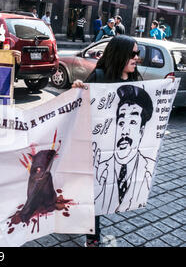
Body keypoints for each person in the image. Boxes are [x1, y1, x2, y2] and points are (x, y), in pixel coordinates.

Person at [72, 35, 174, 247]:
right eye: (133, 53)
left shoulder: (135, 80)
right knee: (94, 195)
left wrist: (166, 89)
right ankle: (93, 237)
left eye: (138, 54)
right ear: (120, 55)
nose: (137, 58)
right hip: (95, 149)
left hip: (119, 152)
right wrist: (77, 88)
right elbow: (79, 107)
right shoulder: (99, 76)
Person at [95, 84, 155, 214]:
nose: (124, 132)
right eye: (121, 123)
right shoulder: (99, 169)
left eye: (132, 122)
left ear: (141, 131)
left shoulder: (148, 169)